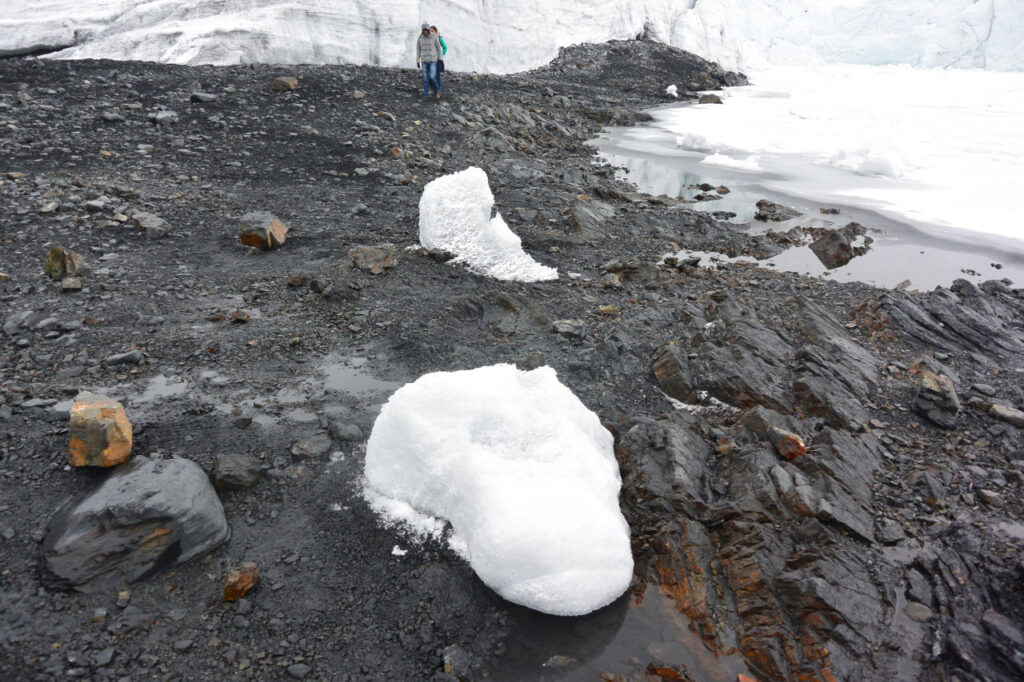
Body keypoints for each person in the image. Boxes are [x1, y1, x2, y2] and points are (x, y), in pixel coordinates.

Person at [415, 23, 443, 100]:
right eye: (424, 30)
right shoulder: (420, 38)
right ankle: (426, 94)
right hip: (424, 60)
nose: (425, 32)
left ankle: (437, 91)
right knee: (425, 78)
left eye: (426, 30)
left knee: (432, 76)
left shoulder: (434, 37)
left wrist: (440, 58)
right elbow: (418, 49)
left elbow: (438, 48)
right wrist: (417, 60)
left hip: (432, 60)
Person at [430, 26, 447, 96]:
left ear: (436, 31)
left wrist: (442, 54)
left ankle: (438, 91)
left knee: (437, 76)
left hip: (438, 60)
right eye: (430, 31)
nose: (431, 32)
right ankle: (432, 89)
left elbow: (445, 47)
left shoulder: (440, 39)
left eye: (433, 31)